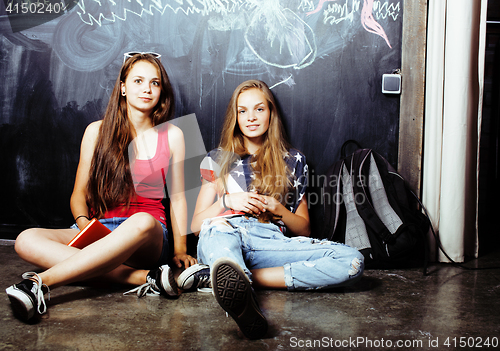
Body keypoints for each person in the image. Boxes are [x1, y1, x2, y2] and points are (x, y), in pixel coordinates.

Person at [6, 52, 208, 323]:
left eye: (155, 83)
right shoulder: (95, 131)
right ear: (123, 87)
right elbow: (79, 194)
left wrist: (180, 250)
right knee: (26, 239)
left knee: (142, 221)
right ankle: (144, 279)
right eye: (138, 81)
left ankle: (38, 283)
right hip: (99, 229)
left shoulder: (173, 135)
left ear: (162, 90)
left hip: (146, 235)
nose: (147, 89)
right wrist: (85, 224)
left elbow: (180, 199)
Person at [191, 80, 365, 340]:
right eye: (243, 111)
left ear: (271, 113)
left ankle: (241, 281)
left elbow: (304, 228)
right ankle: (233, 278)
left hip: (268, 240)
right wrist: (226, 201)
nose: (251, 117)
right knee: (218, 235)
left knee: (352, 261)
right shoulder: (216, 159)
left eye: (259, 109)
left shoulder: (294, 160)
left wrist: (278, 208)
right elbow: (195, 226)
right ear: (235, 117)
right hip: (223, 232)